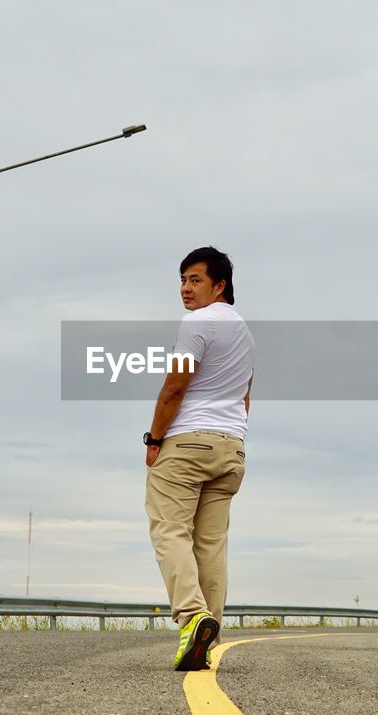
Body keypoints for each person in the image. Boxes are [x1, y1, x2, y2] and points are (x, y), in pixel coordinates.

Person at [143, 246, 254, 671]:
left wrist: (155, 438)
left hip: (188, 444)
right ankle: (207, 638)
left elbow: (175, 387)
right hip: (232, 448)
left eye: (196, 281)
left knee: (170, 530)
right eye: (183, 280)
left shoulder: (197, 323)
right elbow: (244, 396)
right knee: (211, 544)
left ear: (219, 286)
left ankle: (192, 619)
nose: (186, 289)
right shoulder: (245, 334)